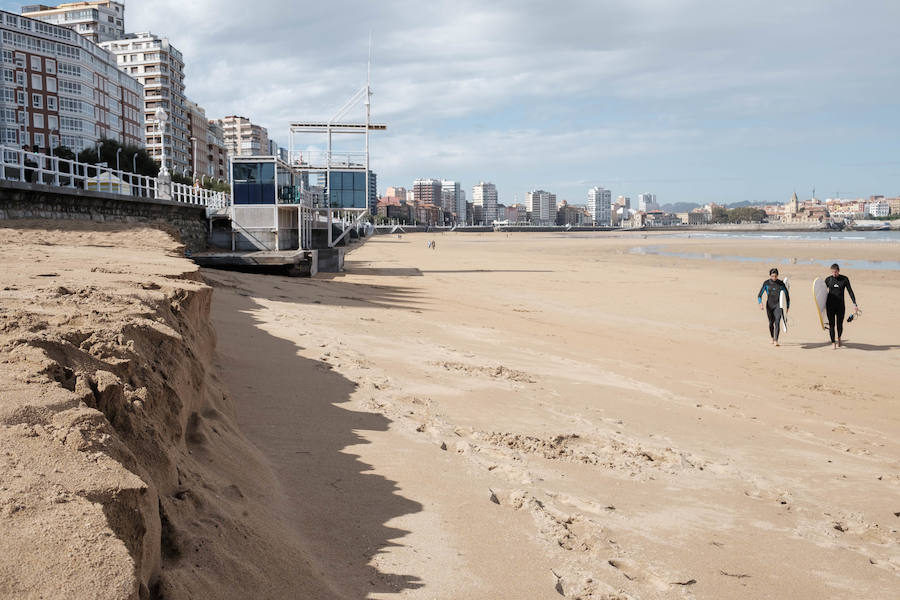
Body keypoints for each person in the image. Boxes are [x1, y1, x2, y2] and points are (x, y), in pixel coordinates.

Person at [824, 263, 858, 349]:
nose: (834, 274)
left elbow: (850, 291)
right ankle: (833, 342)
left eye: (835, 272)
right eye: (832, 272)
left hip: (840, 306)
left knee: (839, 324)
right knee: (832, 325)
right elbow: (822, 292)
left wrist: (854, 303)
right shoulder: (828, 280)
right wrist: (820, 306)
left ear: (838, 271)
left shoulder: (844, 279)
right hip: (830, 306)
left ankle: (839, 338)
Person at [757, 267, 790, 346]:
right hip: (769, 305)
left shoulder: (781, 284)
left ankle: (776, 340)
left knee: (777, 322)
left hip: (778, 305)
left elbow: (787, 296)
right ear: (770, 275)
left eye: (775, 276)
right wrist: (760, 303)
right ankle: (772, 337)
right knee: (771, 323)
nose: (774, 277)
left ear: (777, 275)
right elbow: (759, 295)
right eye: (772, 276)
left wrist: (787, 307)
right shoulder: (766, 283)